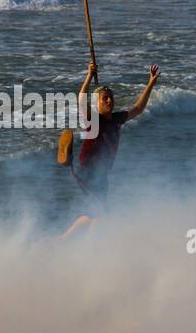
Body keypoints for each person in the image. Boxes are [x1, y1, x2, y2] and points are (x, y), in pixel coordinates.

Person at [62, 61, 159, 239]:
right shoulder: (93, 119)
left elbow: (137, 109)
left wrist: (150, 84)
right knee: (102, 215)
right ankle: (89, 251)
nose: (109, 100)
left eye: (111, 97)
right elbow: (81, 99)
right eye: (104, 98)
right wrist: (89, 76)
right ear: (97, 103)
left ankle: (60, 241)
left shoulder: (116, 118)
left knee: (92, 213)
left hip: (101, 174)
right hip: (87, 172)